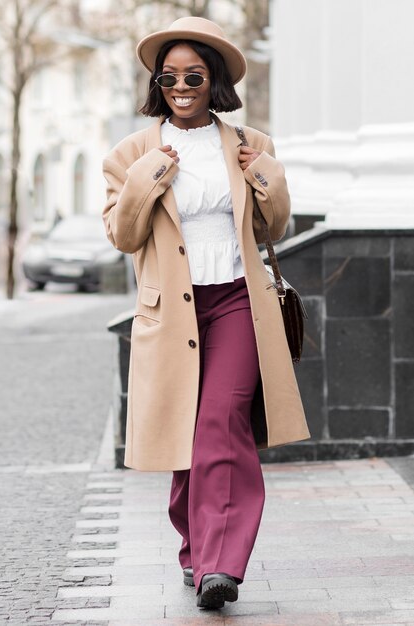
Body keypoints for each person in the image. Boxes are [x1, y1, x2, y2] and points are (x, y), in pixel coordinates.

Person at [102, 16, 310, 610]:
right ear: (157, 85)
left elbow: (273, 227)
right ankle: (197, 549)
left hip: (239, 300)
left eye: (193, 75)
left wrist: (263, 177)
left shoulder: (251, 144)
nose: (181, 86)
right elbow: (123, 233)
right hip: (173, 311)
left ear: (213, 79)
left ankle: (221, 564)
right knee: (186, 441)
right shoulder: (131, 154)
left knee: (221, 423)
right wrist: (149, 176)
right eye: (168, 77)